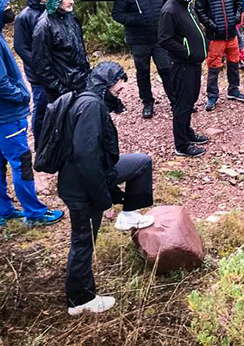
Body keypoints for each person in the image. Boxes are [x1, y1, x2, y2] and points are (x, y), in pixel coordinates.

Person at [57, 62, 155, 316]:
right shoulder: (91, 108)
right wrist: (105, 201)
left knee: (141, 163)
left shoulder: (92, 100)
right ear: (105, 85)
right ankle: (80, 300)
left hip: (89, 178)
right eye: (119, 90)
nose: (120, 94)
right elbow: (87, 160)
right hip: (81, 188)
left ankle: (130, 214)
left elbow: (95, 160)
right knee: (84, 241)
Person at [0, 0, 64, 228]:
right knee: (21, 161)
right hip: (4, 114)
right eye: (6, 6)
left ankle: (3, 210)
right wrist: (22, 95)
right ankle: (35, 212)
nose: (11, 9)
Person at [112, 0, 174, 119]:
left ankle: (175, 101)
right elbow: (117, 14)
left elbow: (171, 4)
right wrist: (136, 18)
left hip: (159, 38)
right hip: (138, 40)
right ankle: (147, 103)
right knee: (143, 72)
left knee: (166, 69)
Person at [158, 0, 209, 157]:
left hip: (194, 63)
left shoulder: (187, 7)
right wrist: (186, 52)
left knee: (191, 99)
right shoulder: (169, 11)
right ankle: (182, 145)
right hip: (181, 65)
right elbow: (165, 39)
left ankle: (187, 132)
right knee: (182, 103)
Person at [196, 0, 244, 110]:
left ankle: (234, 90)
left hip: (231, 34)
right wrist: (212, 25)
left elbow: (238, 3)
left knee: (234, 63)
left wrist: (235, 18)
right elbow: (199, 11)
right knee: (214, 66)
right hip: (215, 37)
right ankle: (212, 96)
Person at [32, 0, 91, 103]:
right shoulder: (44, 26)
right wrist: (61, 90)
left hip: (81, 83)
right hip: (62, 92)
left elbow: (79, 48)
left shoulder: (71, 17)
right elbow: (41, 67)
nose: (72, 1)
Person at [13, 0, 48, 141]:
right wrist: (38, 64)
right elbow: (20, 47)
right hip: (37, 72)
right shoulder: (23, 17)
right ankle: (40, 142)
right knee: (40, 107)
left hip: (52, 69)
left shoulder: (49, 11)